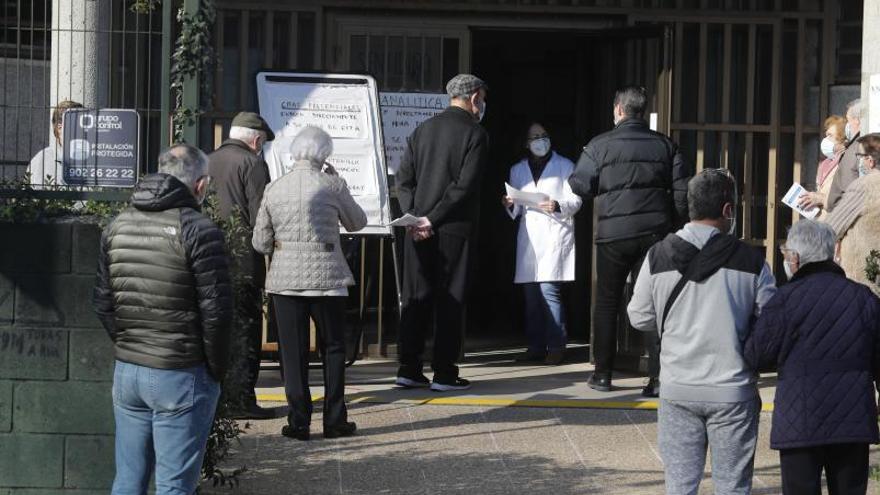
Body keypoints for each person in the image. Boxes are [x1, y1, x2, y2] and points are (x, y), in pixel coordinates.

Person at [93, 144, 232, 494]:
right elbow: (216, 313)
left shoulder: (117, 225)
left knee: (127, 479)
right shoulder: (199, 229)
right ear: (200, 185)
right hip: (181, 370)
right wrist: (215, 369)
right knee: (174, 486)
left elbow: (102, 301)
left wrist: (130, 343)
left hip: (129, 369)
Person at [627, 168, 776, 495]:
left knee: (680, 486)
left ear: (689, 207)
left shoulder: (658, 255)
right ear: (727, 211)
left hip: (678, 387)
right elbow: (772, 321)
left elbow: (638, 316)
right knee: (732, 487)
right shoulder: (751, 261)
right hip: (732, 390)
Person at [568, 86, 691, 395]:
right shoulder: (666, 146)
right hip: (654, 234)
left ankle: (603, 374)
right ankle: (658, 378)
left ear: (619, 110)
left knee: (608, 302)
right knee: (657, 302)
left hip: (612, 236)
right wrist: (671, 227)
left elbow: (580, 184)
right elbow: (682, 194)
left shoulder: (599, 146)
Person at [744, 219, 880, 495]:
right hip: (852, 421)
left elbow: (756, 355)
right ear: (833, 252)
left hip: (799, 422)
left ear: (794, 258)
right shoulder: (863, 298)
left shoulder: (784, 300)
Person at [252, 126, 367, 441]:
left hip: (285, 281)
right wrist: (338, 182)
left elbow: (260, 242)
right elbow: (357, 223)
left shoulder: (275, 188)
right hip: (327, 279)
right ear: (325, 155)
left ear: (294, 153)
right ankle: (334, 420)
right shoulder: (332, 184)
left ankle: (299, 422)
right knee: (333, 348)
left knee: (293, 352)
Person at [394, 73, 489, 392]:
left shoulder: (422, 130)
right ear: (475, 97)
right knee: (450, 299)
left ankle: (408, 367)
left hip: (416, 230)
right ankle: (445, 372)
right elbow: (464, 186)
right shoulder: (475, 133)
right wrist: (432, 219)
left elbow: (403, 181)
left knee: (415, 296)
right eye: (483, 99)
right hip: (453, 229)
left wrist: (415, 217)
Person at [208, 111, 277, 420]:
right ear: (256, 139)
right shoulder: (252, 163)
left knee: (217, 327)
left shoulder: (207, 160)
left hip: (208, 256)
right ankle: (242, 400)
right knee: (247, 327)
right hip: (242, 259)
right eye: (261, 143)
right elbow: (261, 213)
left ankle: (219, 398)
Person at [502, 122, 582, 365]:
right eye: (535, 137)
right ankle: (535, 347)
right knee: (531, 297)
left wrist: (558, 205)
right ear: (527, 143)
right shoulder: (517, 170)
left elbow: (576, 200)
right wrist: (509, 204)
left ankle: (556, 346)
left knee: (549, 292)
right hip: (530, 238)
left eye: (544, 135)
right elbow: (516, 207)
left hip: (554, 234)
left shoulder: (565, 165)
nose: (540, 140)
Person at [825, 133, 880, 297]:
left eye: (860, 156)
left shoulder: (864, 187)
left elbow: (830, 229)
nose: (860, 162)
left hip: (866, 281)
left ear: (870, 160)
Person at [797, 115, 846, 220]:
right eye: (826, 135)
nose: (825, 140)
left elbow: (845, 196)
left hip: (836, 220)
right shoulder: (825, 163)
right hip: (821, 220)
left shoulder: (845, 161)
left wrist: (820, 198)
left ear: (842, 139)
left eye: (830, 135)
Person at [28, 100, 83, 186]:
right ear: (59, 128)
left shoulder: (94, 158)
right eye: (75, 125)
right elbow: (31, 195)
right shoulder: (42, 160)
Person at [826, 99, 864, 212]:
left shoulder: (856, 148)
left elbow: (850, 193)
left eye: (848, 120)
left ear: (857, 120)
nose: (847, 125)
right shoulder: (855, 146)